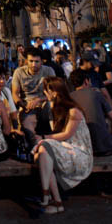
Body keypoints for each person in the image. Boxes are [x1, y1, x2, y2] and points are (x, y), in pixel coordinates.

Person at [31, 77, 93, 213]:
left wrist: (42, 137)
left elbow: (67, 135)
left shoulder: (73, 111)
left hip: (79, 152)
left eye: (46, 91)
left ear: (54, 92)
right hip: (65, 148)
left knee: (44, 149)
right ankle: (54, 201)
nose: (44, 94)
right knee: (43, 153)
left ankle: (49, 198)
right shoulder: (54, 107)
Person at [69, 69, 112, 156]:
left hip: (80, 147)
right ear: (86, 81)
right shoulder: (96, 94)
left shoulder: (69, 97)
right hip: (103, 148)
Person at [11, 47, 55, 133]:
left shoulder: (48, 71)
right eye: (31, 61)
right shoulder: (19, 72)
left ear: (42, 61)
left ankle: (54, 135)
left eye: (36, 61)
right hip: (26, 104)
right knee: (27, 123)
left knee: (51, 107)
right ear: (26, 61)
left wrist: (39, 100)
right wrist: (23, 105)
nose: (33, 64)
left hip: (44, 101)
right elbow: (15, 94)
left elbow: (54, 92)